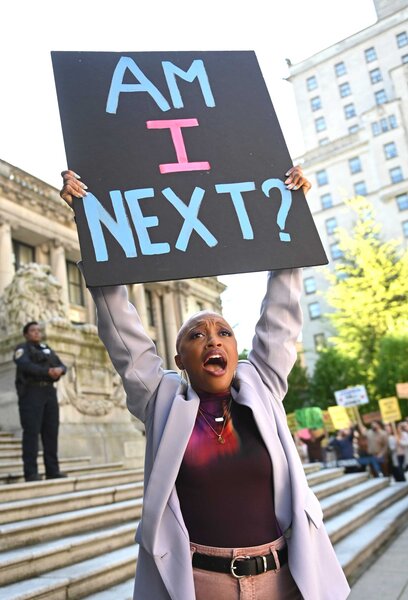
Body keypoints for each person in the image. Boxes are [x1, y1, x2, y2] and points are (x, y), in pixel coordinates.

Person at [60, 166, 350, 600]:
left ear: (237, 351)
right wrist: (90, 225)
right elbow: (121, 329)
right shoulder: (161, 399)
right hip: (200, 585)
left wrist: (292, 219)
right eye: (196, 334)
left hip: (282, 580)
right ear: (179, 360)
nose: (213, 338)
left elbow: (281, 317)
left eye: (224, 332)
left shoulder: (262, 384)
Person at [14, 321, 67, 482]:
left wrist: (60, 370)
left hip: (49, 393)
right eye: (33, 330)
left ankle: (52, 470)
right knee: (31, 433)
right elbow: (25, 366)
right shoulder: (22, 349)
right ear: (26, 334)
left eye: (38, 330)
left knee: (51, 433)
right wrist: (48, 371)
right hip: (31, 393)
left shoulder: (47, 349)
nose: (37, 333)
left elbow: (62, 365)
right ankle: (30, 473)